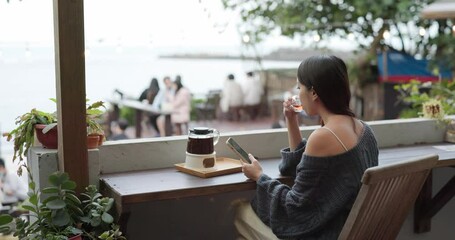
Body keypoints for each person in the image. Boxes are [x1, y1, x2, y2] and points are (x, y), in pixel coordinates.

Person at [234, 55, 379, 239]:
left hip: (327, 233)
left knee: (241, 211)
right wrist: (291, 120)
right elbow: (306, 172)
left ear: (314, 92)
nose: (297, 93)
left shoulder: (323, 136)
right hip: (350, 229)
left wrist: (259, 176)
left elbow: (295, 209)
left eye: (299, 87)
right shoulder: (365, 130)